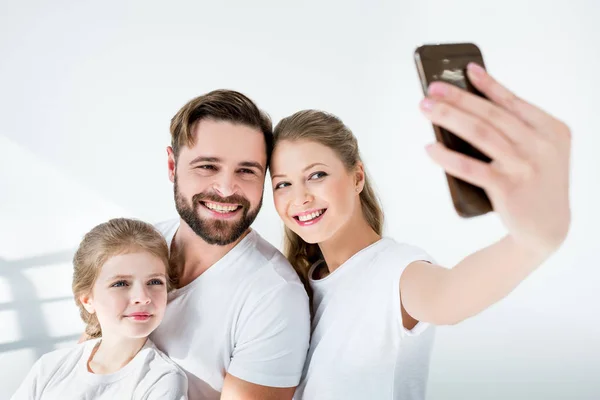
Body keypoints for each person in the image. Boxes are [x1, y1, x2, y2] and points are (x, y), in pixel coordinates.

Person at [268, 63, 571, 399]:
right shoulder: (295, 285)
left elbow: (450, 295)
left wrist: (532, 242)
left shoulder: (397, 270)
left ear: (357, 177)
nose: (300, 197)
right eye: (283, 183)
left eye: (316, 175)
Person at [149, 90, 311, 400]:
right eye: (207, 166)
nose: (226, 189)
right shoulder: (139, 245)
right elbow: (88, 359)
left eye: (246, 170)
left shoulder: (273, 296)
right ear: (172, 166)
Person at [12, 218, 188, 400]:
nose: (142, 297)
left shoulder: (161, 380)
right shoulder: (49, 368)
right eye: (121, 283)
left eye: (154, 282)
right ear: (88, 300)